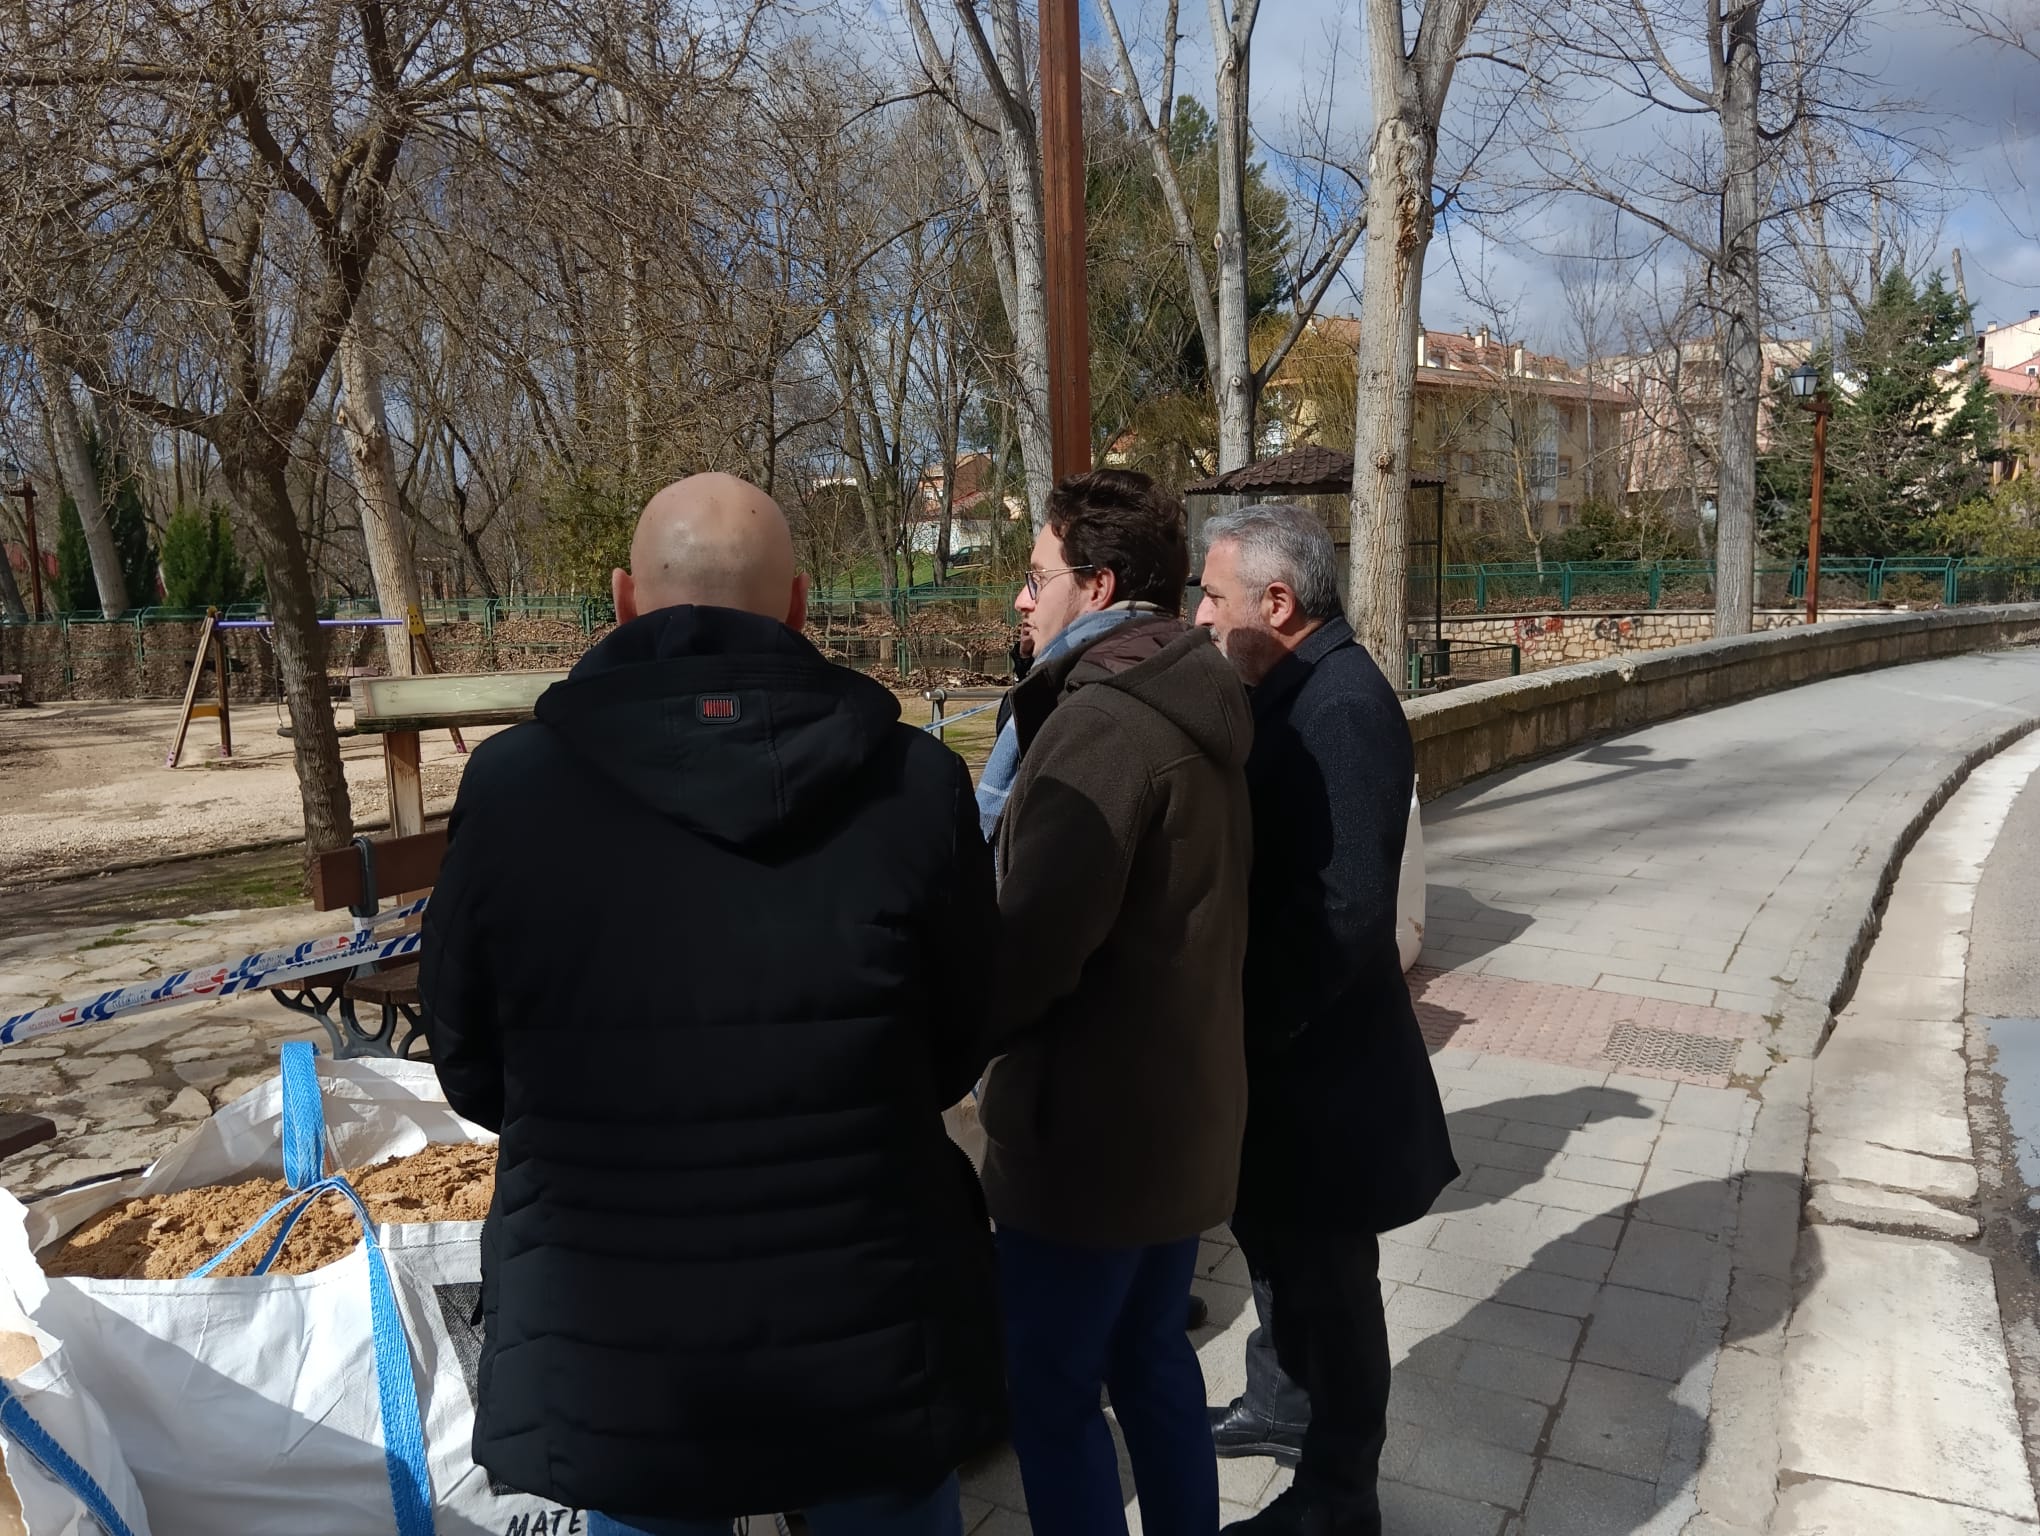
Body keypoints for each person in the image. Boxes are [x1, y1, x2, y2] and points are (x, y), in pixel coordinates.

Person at [419, 473, 1006, 1536]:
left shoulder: (511, 792)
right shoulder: (918, 784)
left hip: (620, 1340)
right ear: (796, 606)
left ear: (622, 601)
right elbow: (962, 1041)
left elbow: (468, 1061)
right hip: (865, 1320)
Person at [977, 468, 1254, 1536]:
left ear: (1095, 585)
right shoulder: (1197, 691)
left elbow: (1031, 949)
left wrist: (946, 1037)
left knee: (1051, 1395)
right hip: (1180, 1121)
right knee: (1150, 1363)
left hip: (1091, 1145)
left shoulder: (1103, 727)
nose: (1020, 599)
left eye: (1035, 575)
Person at [1194, 504, 1459, 1536]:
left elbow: (1346, 913)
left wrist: (1253, 1031)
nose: (1199, 615)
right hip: (1293, 1069)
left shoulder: (1340, 704)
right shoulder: (1293, 683)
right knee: (1281, 1260)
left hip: (1323, 1076)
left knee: (1334, 1292)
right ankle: (1281, 1402)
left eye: (1213, 596)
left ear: (1278, 602)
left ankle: (1341, 1494)